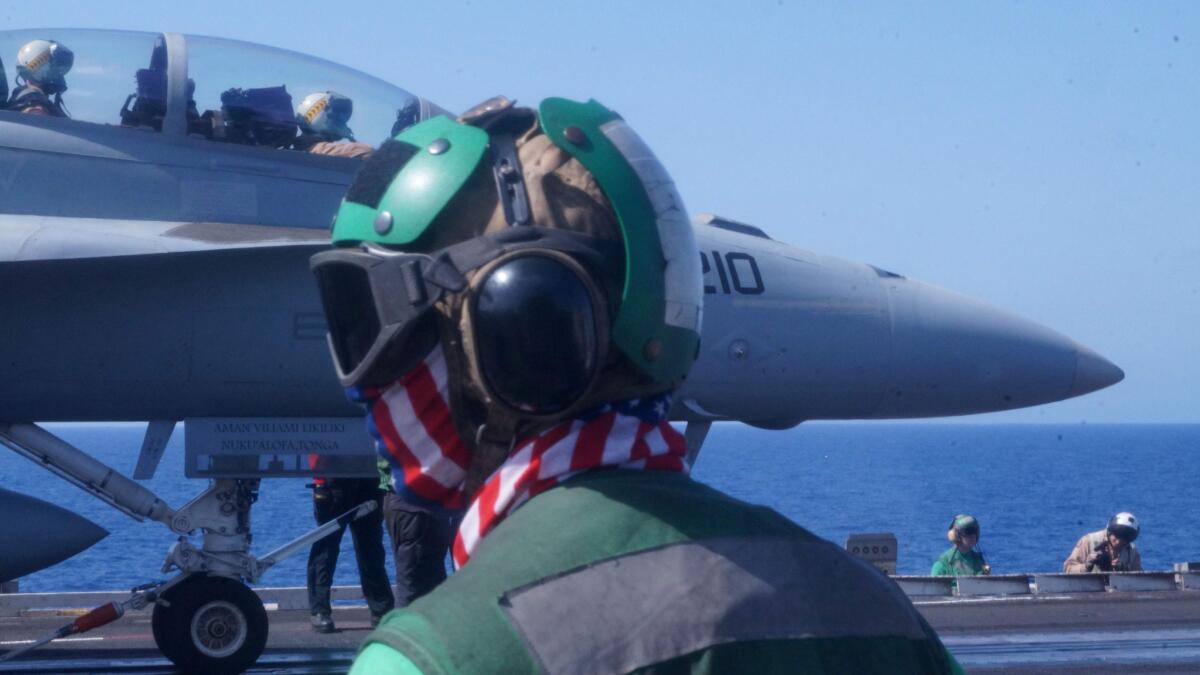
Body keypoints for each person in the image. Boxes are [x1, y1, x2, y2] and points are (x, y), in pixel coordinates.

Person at [310, 95, 962, 673]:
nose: (374, 382)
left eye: (395, 332)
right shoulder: (876, 611)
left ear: (516, 327)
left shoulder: (430, 653)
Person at [305, 468, 395, 633]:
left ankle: (381, 609)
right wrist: (320, 480)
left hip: (370, 478)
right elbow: (318, 444)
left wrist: (386, 478)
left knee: (371, 547)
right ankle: (319, 610)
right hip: (334, 478)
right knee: (326, 546)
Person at [378, 456, 455, 607]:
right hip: (414, 499)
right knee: (413, 581)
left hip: (420, 501)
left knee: (426, 579)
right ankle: (404, 627)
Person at [294, 90, 373, 158]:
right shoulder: (317, 149)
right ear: (318, 115)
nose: (342, 122)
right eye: (336, 116)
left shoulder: (304, 147)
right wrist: (351, 138)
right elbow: (367, 151)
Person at [8, 39, 73, 117]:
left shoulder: (31, 100)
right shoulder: (34, 106)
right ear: (34, 68)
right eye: (52, 70)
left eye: (58, 71)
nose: (58, 76)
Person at [1063, 511, 1143, 573]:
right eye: (1117, 536)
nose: (1118, 542)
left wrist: (1123, 570)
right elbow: (1067, 569)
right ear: (1110, 531)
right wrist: (1086, 566)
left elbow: (1138, 578)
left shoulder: (1131, 551)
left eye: (1124, 540)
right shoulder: (1088, 541)